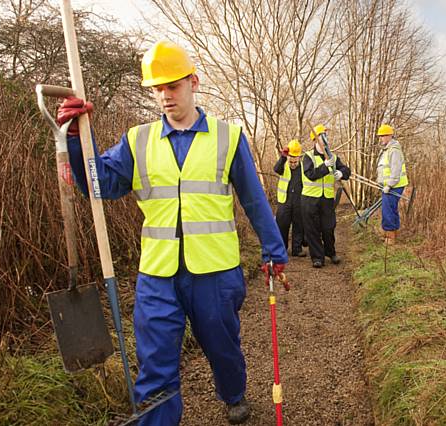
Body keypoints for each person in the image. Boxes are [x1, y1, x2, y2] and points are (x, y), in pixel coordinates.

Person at [56, 40, 287, 425]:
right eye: (157, 89)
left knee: (222, 347)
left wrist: (274, 251)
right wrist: (77, 139)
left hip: (215, 271)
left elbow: (254, 200)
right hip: (158, 274)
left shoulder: (228, 137)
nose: (165, 96)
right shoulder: (138, 139)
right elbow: (100, 185)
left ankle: (233, 393)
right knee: (155, 364)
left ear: (193, 82)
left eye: (172, 86)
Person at [301, 124, 351, 268]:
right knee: (312, 229)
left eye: (325, 136)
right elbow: (310, 175)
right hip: (309, 199)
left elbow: (347, 170)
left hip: (327, 199)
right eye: (322, 136)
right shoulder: (307, 156)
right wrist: (324, 166)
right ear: (315, 140)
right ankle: (317, 257)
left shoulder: (333, 157)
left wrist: (341, 173)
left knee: (329, 227)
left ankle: (331, 252)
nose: (325, 138)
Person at [274, 139, 307, 257]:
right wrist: (283, 157)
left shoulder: (304, 167)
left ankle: (297, 249)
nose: (293, 164)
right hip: (285, 201)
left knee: (298, 225)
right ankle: (282, 248)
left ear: (299, 158)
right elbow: (276, 169)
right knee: (282, 225)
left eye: (295, 162)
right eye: (291, 161)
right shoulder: (284, 166)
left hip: (299, 201)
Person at [375, 124, 408, 244]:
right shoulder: (386, 150)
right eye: (380, 136)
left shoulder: (394, 151)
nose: (381, 138)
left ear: (390, 135)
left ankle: (390, 238)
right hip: (388, 185)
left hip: (394, 185)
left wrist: (389, 185)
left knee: (388, 210)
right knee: (391, 209)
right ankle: (391, 233)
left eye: (383, 136)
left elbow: (396, 170)